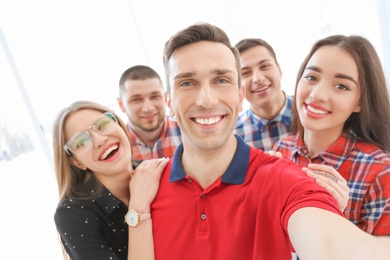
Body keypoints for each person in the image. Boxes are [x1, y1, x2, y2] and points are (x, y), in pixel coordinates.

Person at [146, 22, 390, 259]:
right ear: (168, 101)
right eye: (187, 83)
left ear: (240, 96)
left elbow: (322, 235)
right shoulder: (282, 150)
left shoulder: (283, 174)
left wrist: (333, 215)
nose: (206, 100)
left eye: (221, 80)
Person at [272, 34, 390, 236]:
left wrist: (334, 218)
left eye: (341, 86)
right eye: (311, 77)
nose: (317, 94)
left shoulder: (381, 173)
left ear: (360, 102)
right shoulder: (280, 151)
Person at [52, 100, 169, 260]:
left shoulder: (162, 172)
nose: (100, 140)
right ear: (77, 162)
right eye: (81, 142)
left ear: (119, 125)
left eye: (102, 125)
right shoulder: (72, 214)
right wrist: (138, 207)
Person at [234, 38, 293, 151]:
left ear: (279, 70)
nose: (258, 78)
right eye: (245, 73)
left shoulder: (310, 114)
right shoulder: (234, 138)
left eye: (265, 66)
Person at [117, 65, 182, 160]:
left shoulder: (187, 131)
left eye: (155, 96)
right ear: (121, 105)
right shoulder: (116, 146)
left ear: (165, 98)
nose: (148, 108)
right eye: (136, 99)